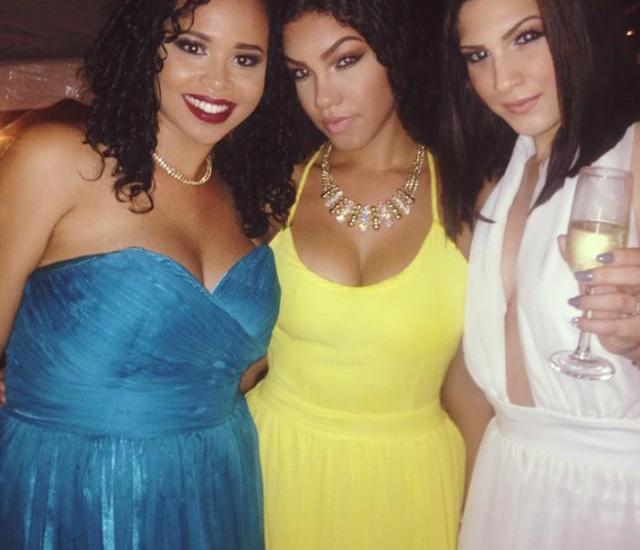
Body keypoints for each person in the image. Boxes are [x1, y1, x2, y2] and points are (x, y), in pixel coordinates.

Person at [0, 0, 294, 547]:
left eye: (246, 58)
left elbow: (241, 370)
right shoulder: (58, 161)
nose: (218, 80)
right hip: (70, 488)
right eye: (192, 46)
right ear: (144, 47)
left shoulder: (253, 201)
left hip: (215, 481)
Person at [245, 1, 491, 548]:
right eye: (301, 73)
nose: (322, 98)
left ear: (396, 54)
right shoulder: (278, 189)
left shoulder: (470, 196)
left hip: (415, 483)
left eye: (345, 60)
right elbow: (233, 348)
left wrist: (477, 516)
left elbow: (471, 386)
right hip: (276, 464)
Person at [439, 0, 640, 548]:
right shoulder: (506, 171)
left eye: (527, 37)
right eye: (478, 55)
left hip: (614, 500)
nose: (502, 80)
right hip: (507, 481)